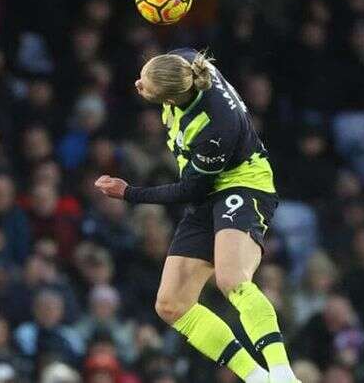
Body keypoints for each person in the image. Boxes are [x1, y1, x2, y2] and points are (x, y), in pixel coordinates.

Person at [94, 48, 297, 383]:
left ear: (171, 98)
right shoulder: (186, 61)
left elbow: (191, 191)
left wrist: (130, 193)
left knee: (231, 279)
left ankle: (282, 373)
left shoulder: (213, 127)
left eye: (145, 86)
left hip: (243, 184)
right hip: (208, 187)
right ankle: (256, 377)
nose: (137, 85)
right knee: (171, 304)